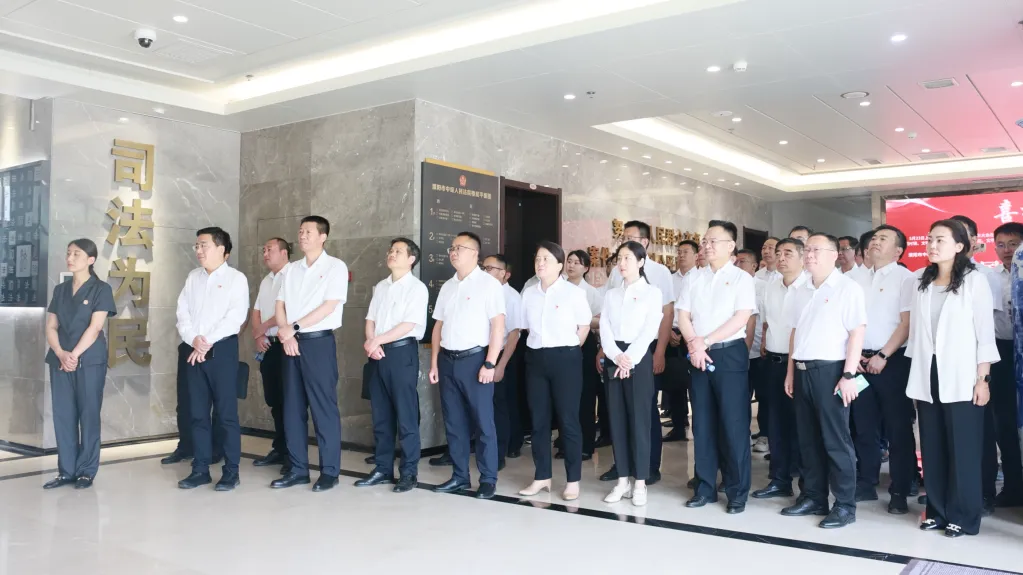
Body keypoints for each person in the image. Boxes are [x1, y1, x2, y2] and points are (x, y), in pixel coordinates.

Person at [906, 219, 997, 537]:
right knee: (932, 447)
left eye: (940, 240)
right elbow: (917, 335)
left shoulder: (974, 281)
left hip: (963, 375)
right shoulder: (921, 280)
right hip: (927, 373)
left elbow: (985, 334)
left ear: (960, 246)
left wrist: (983, 379)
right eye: (930, 239)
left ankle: (964, 516)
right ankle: (937, 511)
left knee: (963, 450)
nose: (932, 245)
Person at [781, 233, 866, 528]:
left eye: (816, 250)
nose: (809, 255)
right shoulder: (800, 289)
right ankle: (814, 496)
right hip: (802, 370)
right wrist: (790, 372)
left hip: (832, 372)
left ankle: (845, 505)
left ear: (834, 254)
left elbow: (857, 332)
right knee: (808, 440)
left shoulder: (847, 288)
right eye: (807, 250)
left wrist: (849, 374)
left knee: (836, 440)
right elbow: (795, 333)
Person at [678, 220, 756, 514]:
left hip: (728, 354)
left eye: (713, 241)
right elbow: (683, 316)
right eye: (705, 241)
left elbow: (741, 317)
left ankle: (737, 491)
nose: (707, 246)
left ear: (730, 246)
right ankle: (704, 487)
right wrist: (694, 344)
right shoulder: (693, 278)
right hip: (698, 355)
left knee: (733, 424)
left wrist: (705, 341)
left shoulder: (741, 278)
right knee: (702, 423)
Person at [271, 216, 348, 492]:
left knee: (323, 408)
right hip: (289, 342)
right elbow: (279, 304)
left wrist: (293, 328)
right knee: (292, 408)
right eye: (300, 231)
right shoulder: (291, 269)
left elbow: (329, 306)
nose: (302, 235)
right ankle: (298, 469)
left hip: (317, 343)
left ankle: (329, 472)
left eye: (308, 232)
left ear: (323, 236)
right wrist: (286, 333)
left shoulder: (335, 267)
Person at [428, 231, 506, 500]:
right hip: (448, 361)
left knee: (483, 423)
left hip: (475, 361)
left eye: (458, 248)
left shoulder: (488, 284)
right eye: (451, 248)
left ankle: (488, 478)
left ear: (474, 253)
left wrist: (490, 363)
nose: (453, 252)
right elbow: (438, 326)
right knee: (454, 422)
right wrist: (434, 362)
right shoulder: (448, 286)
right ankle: (459, 476)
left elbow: (498, 326)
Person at [597, 220, 674, 485]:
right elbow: (607, 320)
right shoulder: (616, 275)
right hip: (615, 352)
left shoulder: (659, 274)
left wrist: (658, 351)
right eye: (623, 239)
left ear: (645, 243)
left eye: (631, 239)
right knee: (617, 413)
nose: (622, 258)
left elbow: (664, 315)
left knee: (644, 411)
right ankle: (622, 467)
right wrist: (608, 352)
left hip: (642, 350)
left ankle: (648, 467)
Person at [848, 225, 916, 514]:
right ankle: (866, 482)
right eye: (874, 238)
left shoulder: (906, 278)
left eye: (883, 239)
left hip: (893, 362)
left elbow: (906, 323)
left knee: (898, 427)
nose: (875, 241)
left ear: (898, 250)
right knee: (864, 425)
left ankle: (900, 488)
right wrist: (853, 357)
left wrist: (883, 354)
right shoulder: (853, 278)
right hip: (859, 362)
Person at [175, 227, 248, 491]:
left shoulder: (236, 279)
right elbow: (182, 313)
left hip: (222, 353)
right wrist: (193, 338)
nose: (198, 250)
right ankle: (200, 469)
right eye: (197, 246)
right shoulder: (192, 277)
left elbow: (235, 318)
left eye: (203, 245)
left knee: (226, 415)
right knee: (197, 414)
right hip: (194, 352)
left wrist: (205, 341)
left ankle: (231, 471)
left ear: (221, 249)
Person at [518, 242, 592, 501]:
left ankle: (573, 480)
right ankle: (542, 477)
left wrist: (569, 350)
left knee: (568, 420)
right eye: (538, 258)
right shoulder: (529, 293)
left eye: (546, 259)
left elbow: (584, 326)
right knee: (539, 421)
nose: (540, 263)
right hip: (536, 359)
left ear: (560, 265)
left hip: (566, 359)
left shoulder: (573, 293)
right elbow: (525, 327)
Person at [42, 239, 117, 490]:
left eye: (76, 254)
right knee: (63, 415)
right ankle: (66, 471)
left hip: (89, 360)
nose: (70, 258)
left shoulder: (101, 289)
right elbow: (51, 326)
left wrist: (73, 355)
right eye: (68, 253)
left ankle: (86, 470)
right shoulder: (60, 290)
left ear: (91, 260)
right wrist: (60, 353)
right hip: (60, 360)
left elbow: (95, 327)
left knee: (88, 414)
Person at [355, 237, 427, 492]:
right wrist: (371, 342)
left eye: (398, 251)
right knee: (381, 416)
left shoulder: (417, 288)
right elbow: (370, 319)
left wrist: (378, 341)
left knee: (406, 416)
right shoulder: (381, 286)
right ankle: (383, 469)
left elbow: (409, 324)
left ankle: (408, 473)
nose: (392, 254)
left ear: (411, 259)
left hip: (401, 354)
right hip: (377, 354)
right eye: (391, 250)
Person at [752, 238, 807, 500]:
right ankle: (779, 479)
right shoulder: (771, 287)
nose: (781, 258)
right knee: (775, 424)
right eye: (779, 253)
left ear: (803, 257)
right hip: (773, 362)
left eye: (788, 253)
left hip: (801, 365)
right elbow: (766, 322)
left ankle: (808, 487)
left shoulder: (810, 287)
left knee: (803, 427)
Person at [984, 222, 1023, 507]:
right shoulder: (989, 278)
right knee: (1004, 422)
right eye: (1001, 244)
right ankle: (1013, 487)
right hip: (1001, 353)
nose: (1007, 250)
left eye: (1014, 244)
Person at [250, 238, 292, 472]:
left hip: (287, 345)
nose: (265, 253)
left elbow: (289, 310)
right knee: (274, 400)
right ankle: (279, 448)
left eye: (270, 250)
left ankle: (292, 454)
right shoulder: (267, 280)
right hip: (269, 347)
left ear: (284, 253)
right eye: (264, 250)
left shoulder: (293, 275)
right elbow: (256, 310)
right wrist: (259, 336)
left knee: (289, 401)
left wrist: (264, 327)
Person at [481, 254, 523, 471]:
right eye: (484, 268)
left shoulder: (512, 297)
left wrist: (500, 365)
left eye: (490, 269)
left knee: (500, 404)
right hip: (481, 352)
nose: (485, 272)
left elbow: (514, 334)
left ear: (505, 274)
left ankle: (500, 452)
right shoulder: (481, 292)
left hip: (502, 354)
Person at [565, 249, 604, 457]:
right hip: (561, 342)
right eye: (569, 261)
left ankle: (586, 445)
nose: (571, 265)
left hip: (585, 343)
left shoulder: (591, 292)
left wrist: (582, 320)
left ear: (586, 268)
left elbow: (602, 322)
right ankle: (565, 443)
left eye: (576, 263)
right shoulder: (558, 287)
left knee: (585, 395)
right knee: (564, 395)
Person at [664, 239, 700, 441]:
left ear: (696, 255)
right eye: (679, 252)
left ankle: (700, 428)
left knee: (695, 384)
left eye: (685, 252)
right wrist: (668, 330)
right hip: (671, 333)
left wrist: (688, 335)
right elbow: (663, 307)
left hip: (694, 337)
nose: (681, 255)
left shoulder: (701, 278)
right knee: (674, 384)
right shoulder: (669, 279)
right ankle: (678, 426)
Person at [737, 248, 769, 454]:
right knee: (741, 396)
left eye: (743, 262)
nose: (738, 265)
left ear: (754, 266)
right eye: (736, 262)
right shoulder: (732, 284)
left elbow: (765, 319)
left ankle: (764, 434)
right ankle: (744, 433)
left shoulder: (763, 287)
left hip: (759, 351)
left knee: (763, 396)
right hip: (736, 352)